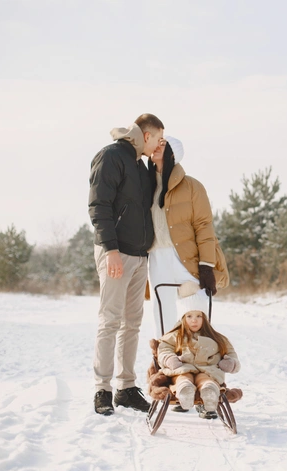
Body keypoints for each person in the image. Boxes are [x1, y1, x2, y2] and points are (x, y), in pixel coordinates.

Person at [88, 113, 164, 416]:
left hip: (140, 254)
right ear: (146, 135)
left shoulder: (140, 165)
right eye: (158, 138)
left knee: (132, 324)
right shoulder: (111, 157)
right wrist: (111, 250)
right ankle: (102, 390)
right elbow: (99, 206)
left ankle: (126, 388)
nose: (160, 143)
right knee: (110, 321)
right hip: (116, 252)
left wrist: (159, 163)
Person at [146, 136, 229, 338]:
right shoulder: (144, 185)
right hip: (157, 257)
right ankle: (164, 362)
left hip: (187, 257)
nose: (156, 146)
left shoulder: (193, 186)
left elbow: (204, 226)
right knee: (163, 314)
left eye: (162, 145)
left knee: (196, 313)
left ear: (172, 154)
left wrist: (207, 265)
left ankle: (200, 362)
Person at [157, 282, 241, 419]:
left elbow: (230, 351)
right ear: (183, 318)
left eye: (198, 316)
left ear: (205, 318)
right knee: (184, 378)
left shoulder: (215, 338)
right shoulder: (176, 335)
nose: (194, 321)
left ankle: (209, 392)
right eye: (189, 316)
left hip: (207, 370)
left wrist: (231, 362)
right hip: (182, 369)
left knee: (206, 379)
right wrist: (169, 358)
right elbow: (163, 348)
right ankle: (185, 391)